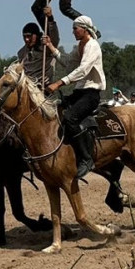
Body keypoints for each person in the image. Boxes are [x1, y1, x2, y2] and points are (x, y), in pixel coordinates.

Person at [44, 15, 105, 178]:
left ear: (85, 29)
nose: (73, 32)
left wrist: (58, 83)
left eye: (75, 28)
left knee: (70, 118)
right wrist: (50, 46)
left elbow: (83, 70)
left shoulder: (92, 46)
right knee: (56, 111)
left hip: (91, 94)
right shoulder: (80, 46)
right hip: (79, 92)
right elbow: (68, 62)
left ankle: (86, 159)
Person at [17, 12, 60, 88]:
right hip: (27, 89)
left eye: (29, 36)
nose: (27, 39)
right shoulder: (21, 53)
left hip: (44, 88)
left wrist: (50, 19)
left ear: (36, 35)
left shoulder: (45, 47)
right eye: (24, 37)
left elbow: (54, 37)